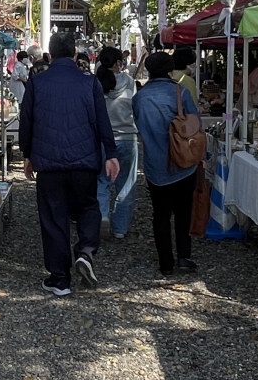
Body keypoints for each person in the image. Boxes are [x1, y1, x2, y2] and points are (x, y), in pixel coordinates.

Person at [18, 31, 118, 295]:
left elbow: (26, 120)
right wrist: (111, 153)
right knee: (88, 207)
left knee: (53, 218)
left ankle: (60, 278)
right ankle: (85, 251)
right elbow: (102, 120)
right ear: (74, 54)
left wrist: (27, 154)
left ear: (50, 55)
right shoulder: (89, 82)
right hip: (84, 160)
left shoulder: (37, 82)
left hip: (48, 163)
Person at [133, 51, 202, 279]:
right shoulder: (181, 92)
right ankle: (184, 256)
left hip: (155, 164)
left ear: (149, 70)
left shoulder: (139, 98)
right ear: (170, 69)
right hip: (184, 162)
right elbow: (196, 123)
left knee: (161, 214)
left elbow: (139, 126)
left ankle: (166, 263)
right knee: (184, 211)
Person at [95, 47, 138, 240]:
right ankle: (120, 228)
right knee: (126, 183)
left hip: (102, 139)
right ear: (119, 63)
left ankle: (102, 215)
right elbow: (135, 107)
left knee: (101, 180)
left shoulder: (95, 83)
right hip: (127, 136)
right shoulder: (129, 81)